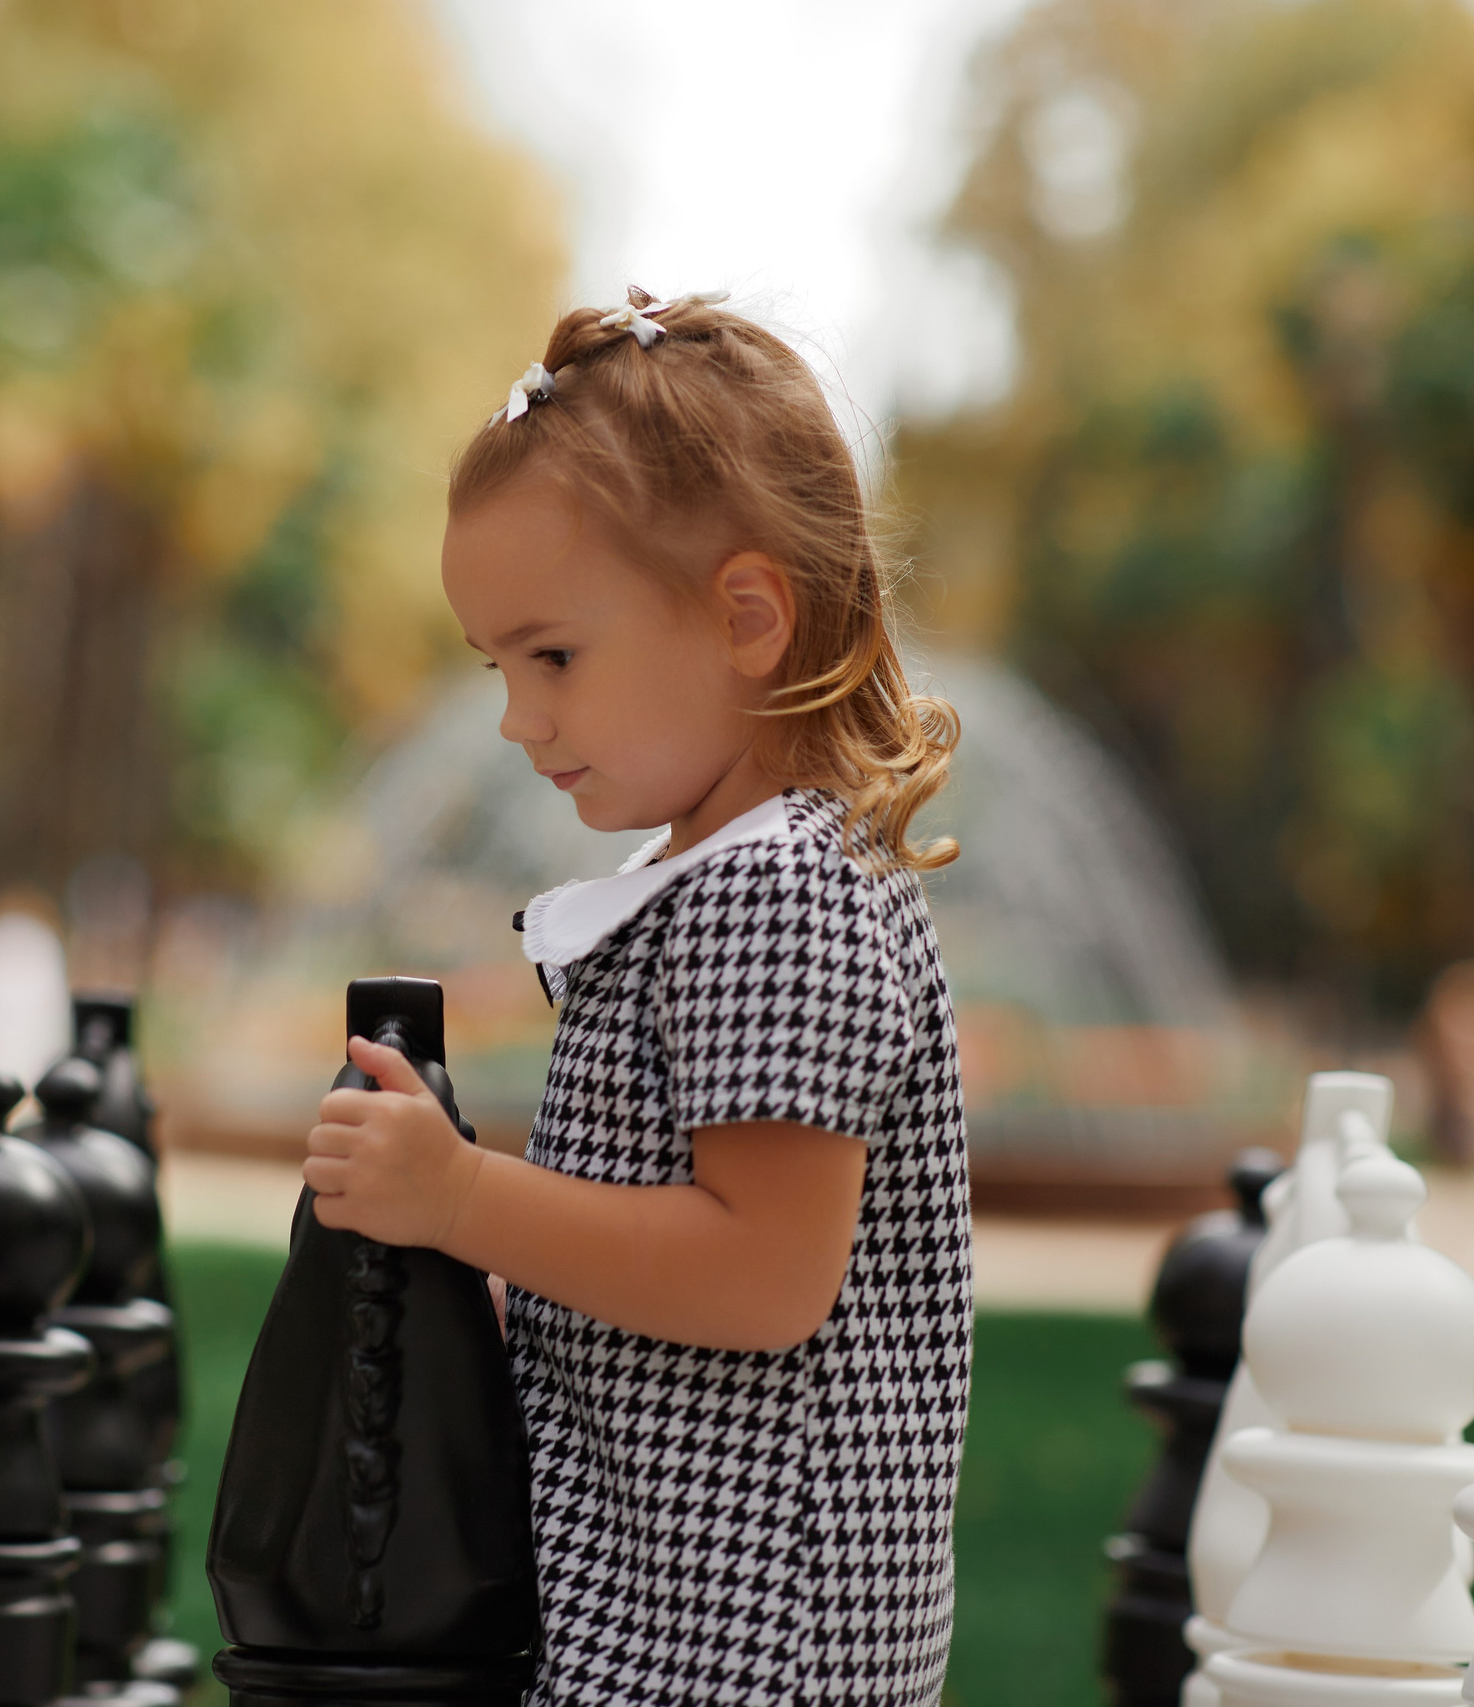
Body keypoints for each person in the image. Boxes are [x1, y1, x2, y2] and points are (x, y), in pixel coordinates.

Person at [302, 287, 972, 1705]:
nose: (514, 717)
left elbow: (764, 1277)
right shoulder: (733, 877)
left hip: (739, 1639)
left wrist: (465, 1202)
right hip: (685, 1604)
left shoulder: (777, 892)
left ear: (744, 616)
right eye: (497, 666)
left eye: (553, 656)